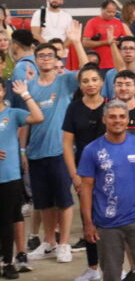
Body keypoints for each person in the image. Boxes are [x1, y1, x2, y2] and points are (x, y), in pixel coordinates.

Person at [77, 100, 135, 281]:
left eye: (122, 116)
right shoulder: (91, 150)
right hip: (106, 224)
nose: (118, 120)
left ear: (128, 119)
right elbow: (86, 188)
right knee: (111, 274)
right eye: (112, 117)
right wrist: (88, 223)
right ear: (104, 119)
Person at [24, 25, 86, 265]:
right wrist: (23, 150)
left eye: (50, 55)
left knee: (64, 200)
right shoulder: (29, 87)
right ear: (36, 60)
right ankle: (48, 242)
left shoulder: (64, 82)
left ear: (57, 58)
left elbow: (84, 70)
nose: (46, 58)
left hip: (60, 151)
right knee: (44, 203)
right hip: (36, 152)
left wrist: (76, 42)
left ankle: (63, 244)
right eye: (41, 55)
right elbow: (25, 122)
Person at [62, 64, 108, 281]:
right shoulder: (74, 108)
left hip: (109, 170)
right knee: (88, 217)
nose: (90, 84)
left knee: (111, 218)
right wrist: (74, 175)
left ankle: (113, 265)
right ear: (79, 85)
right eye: (85, 81)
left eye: (94, 80)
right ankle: (92, 267)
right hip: (84, 173)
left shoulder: (111, 106)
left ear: (101, 82)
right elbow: (67, 143)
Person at [1, 80, 46, 279]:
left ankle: (8, 262)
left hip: (9, 176)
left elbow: (38, 116)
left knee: (8, 220)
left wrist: (25, 94)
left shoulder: (12, 114)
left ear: (3, 91)